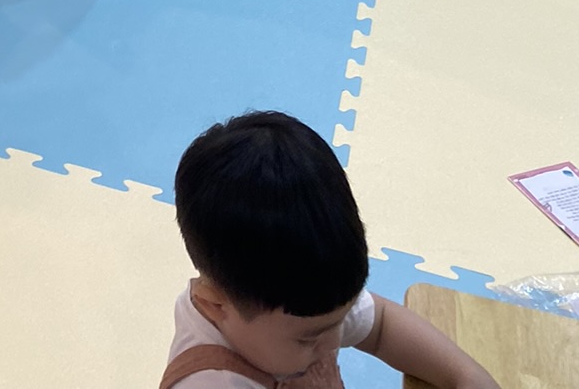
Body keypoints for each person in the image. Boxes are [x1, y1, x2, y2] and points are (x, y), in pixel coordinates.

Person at [162, 111, 498, 388]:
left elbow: (380, 324)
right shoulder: (211, 382)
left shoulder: (294, 307)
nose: (336, 342)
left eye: (340, 321)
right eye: (308, 340)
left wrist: (465, 376)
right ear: (215, 305)